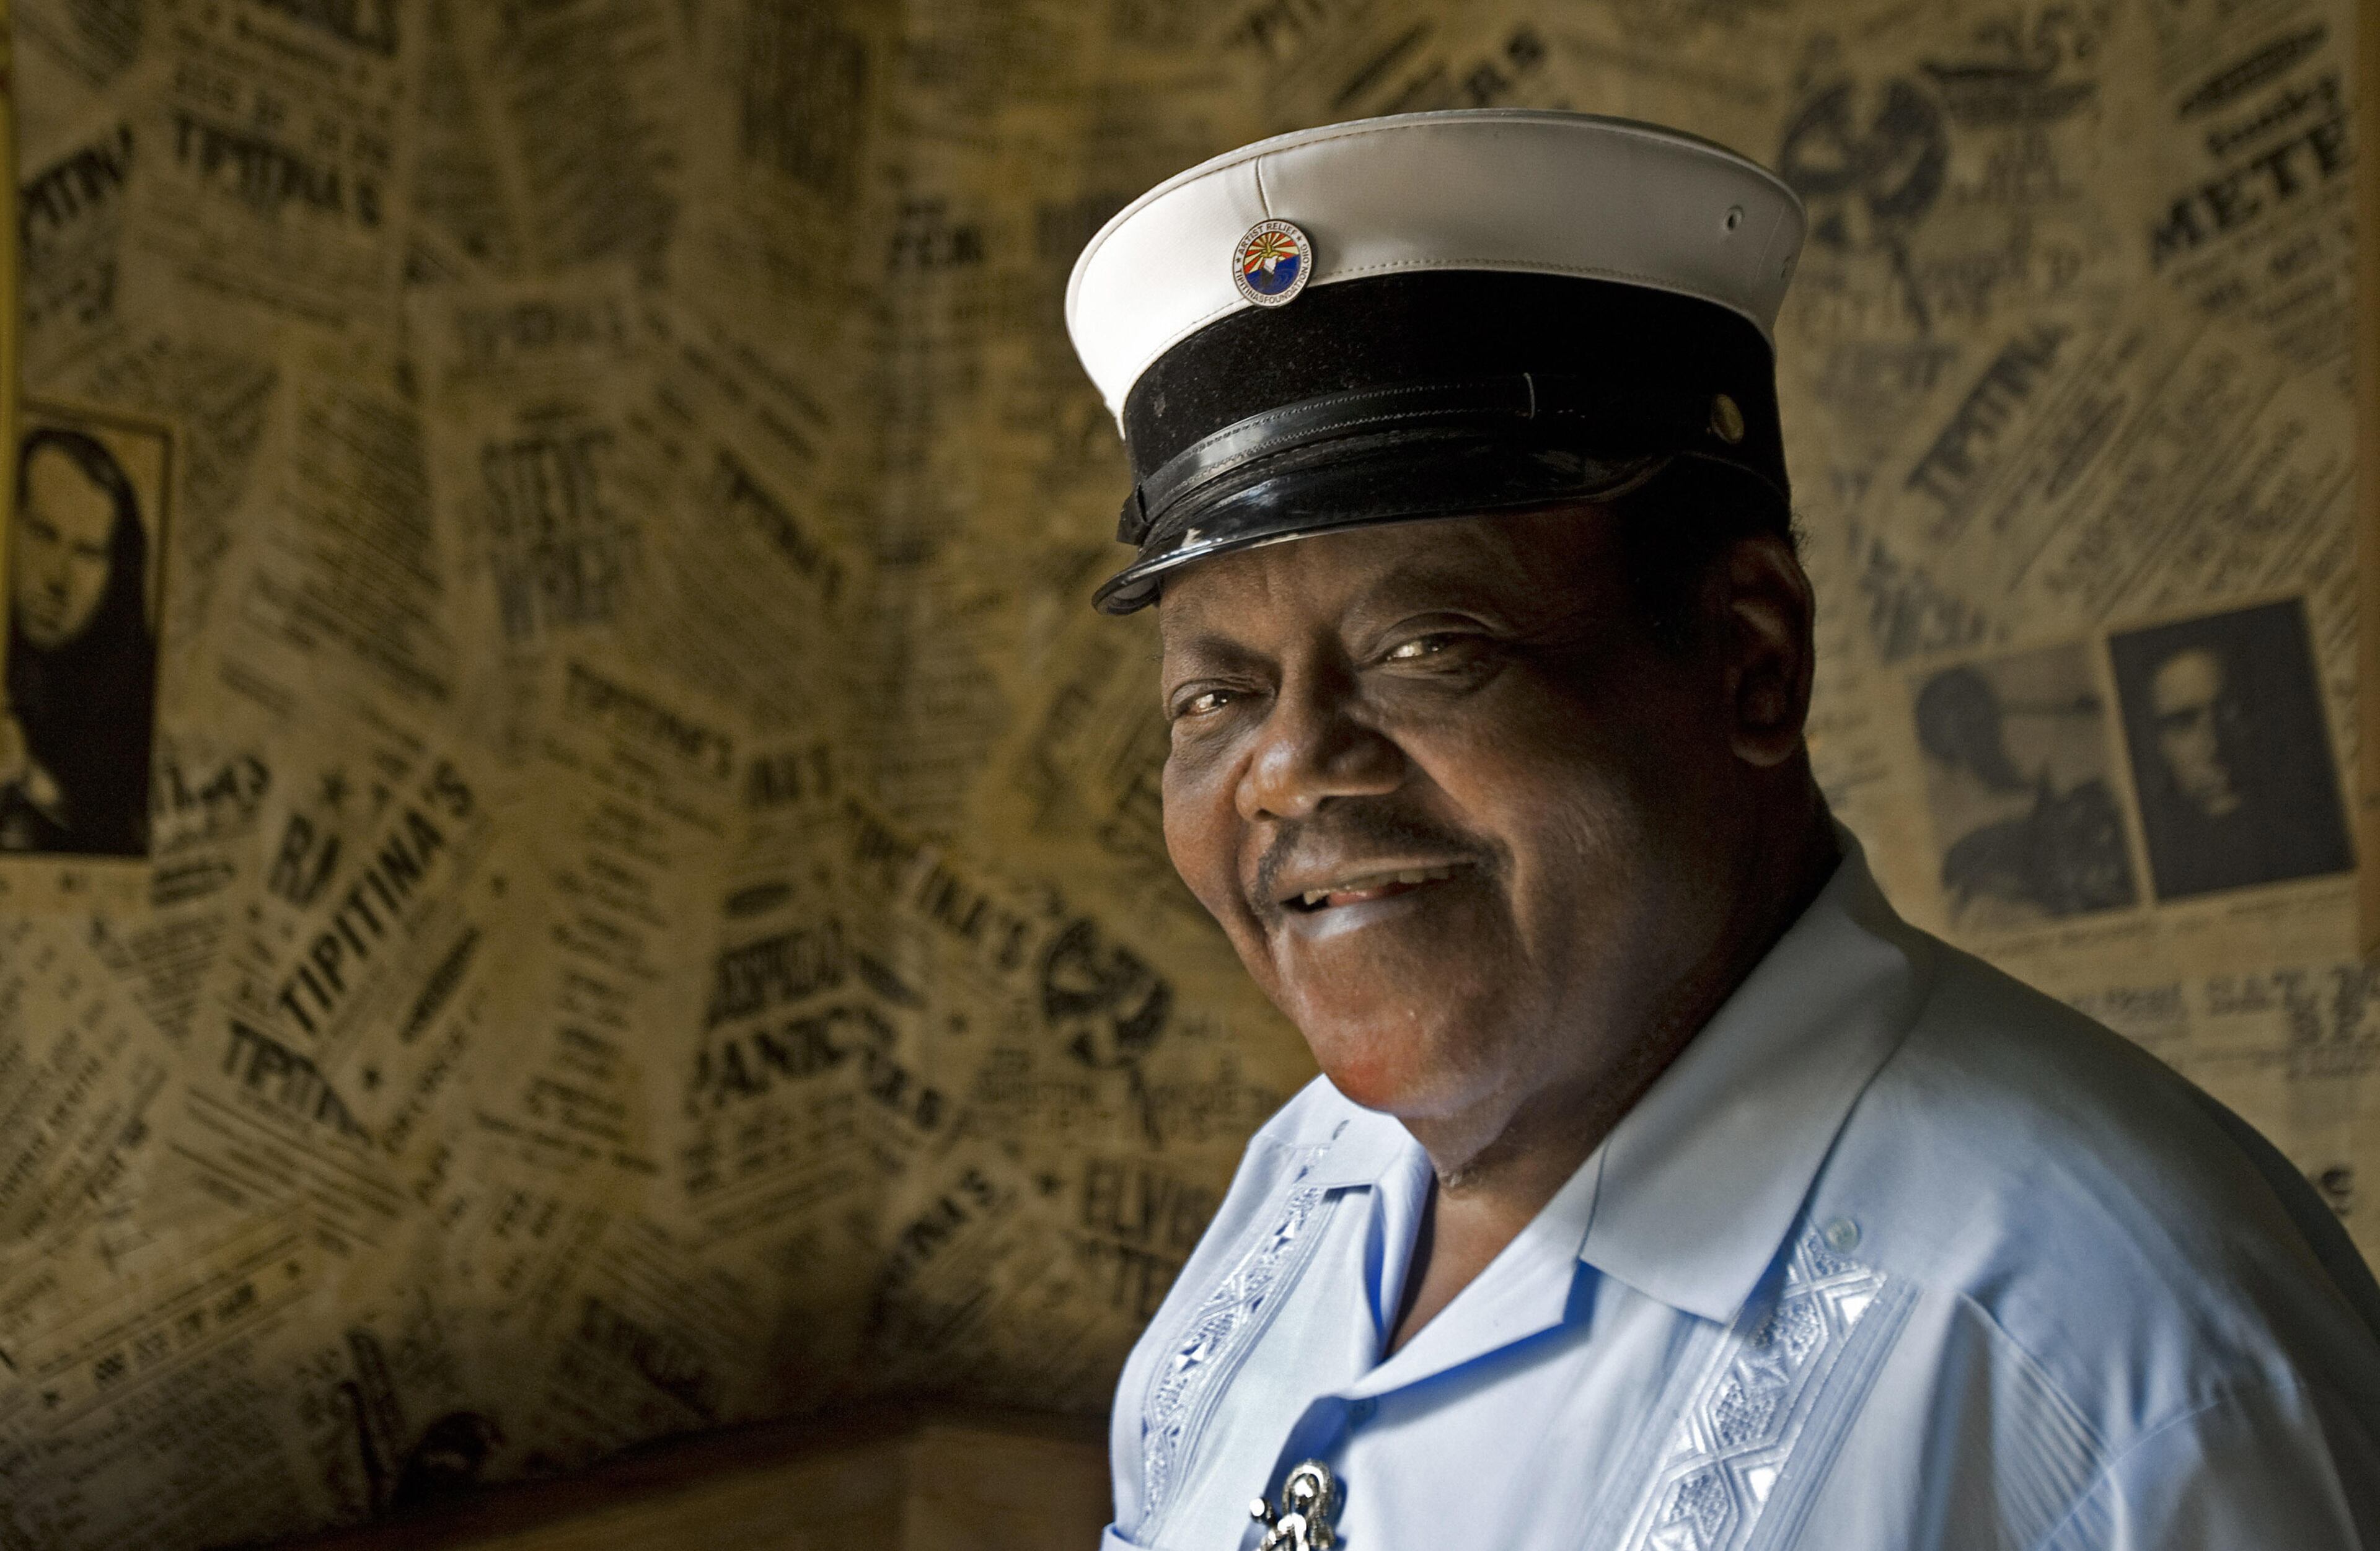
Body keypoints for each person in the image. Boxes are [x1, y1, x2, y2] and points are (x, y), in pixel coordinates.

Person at [1064, 111, 2380, 1549]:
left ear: (1750, 655)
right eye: (1218, 692)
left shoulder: (2114, 1352)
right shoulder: (1306, 1177)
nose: (1288, 769)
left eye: (1427, 644)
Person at [2, 426, 156, 856]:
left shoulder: (131, 688)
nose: (58, 579)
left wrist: (31, 780)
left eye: (88, 553)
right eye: (42, 534)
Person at [2127, 630, 2353, 899]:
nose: (2214, 747)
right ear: (2156, 745)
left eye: (2233, 713)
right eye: (2183, 723)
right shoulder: (2152, 864)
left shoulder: (2323, 843)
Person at [1911, 662, 2133, 927]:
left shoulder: (2058, 783)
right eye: (1960, 719)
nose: (1975, 720)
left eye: (1976, 707)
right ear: (1943, 743)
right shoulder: (1964, 841)